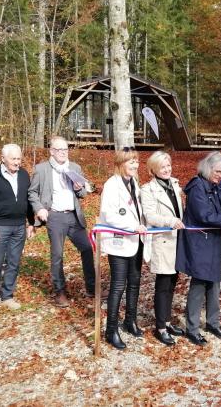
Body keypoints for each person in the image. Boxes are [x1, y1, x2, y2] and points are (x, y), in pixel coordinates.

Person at [176, 152, 221, 346]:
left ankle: (213, 322)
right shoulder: (198, 187)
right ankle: (192, 328)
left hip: (214, 240)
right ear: (208, 169)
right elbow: (204, 215)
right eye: (218, 171)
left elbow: (218, 213)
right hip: (200, 242)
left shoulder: (214, 187)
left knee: (214, 283)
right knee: (199, 284)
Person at [28, 136, 100, 307]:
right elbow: (32, 193)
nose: (63, 153)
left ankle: (91, 288)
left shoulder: (75, 167)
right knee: (57, 255)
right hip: (55, 216)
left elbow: (82, 194)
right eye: (59, 150)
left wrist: (79, 188)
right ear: (51, 151)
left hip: (74, 217)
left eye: (65, 149)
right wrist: (39, 209)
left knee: (87, 248)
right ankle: (60, 292)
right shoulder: (41, 169)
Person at [99, 148, 147, 350]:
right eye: (131, 162)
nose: (135, 165)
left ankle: (130, 320)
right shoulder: (111, 185)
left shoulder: (134, 183)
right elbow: (109, 215)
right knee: (118, 285)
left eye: (136, 161)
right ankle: (111, 330)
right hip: (119, 242)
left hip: (136, 241)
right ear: (121, 164)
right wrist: (132, 226)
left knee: (134, 282)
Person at [0, 144, 35, 317]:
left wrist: (31, 223)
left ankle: (7, 296)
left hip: (19, 226)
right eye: (14, 159)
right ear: (3, 158)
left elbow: (28, 201)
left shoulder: (24, 175)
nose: (17, 162)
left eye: (19, 159)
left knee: (13, 262)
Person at [141, 151, 186, 346]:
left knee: (173, 282)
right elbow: (150, 216)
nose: (167, 169)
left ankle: (167, 322)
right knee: (163, 284)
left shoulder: (175, 184)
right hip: (162, 241)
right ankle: (160, 327)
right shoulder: (147, 189)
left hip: (177, 240)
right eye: (162, 167)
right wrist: (170, 221)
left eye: (168, 165)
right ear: (153, 170)